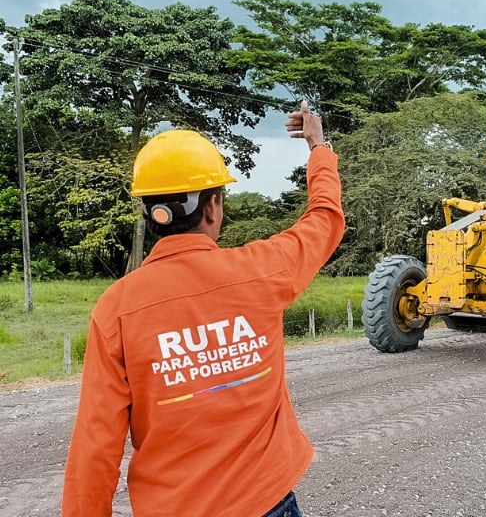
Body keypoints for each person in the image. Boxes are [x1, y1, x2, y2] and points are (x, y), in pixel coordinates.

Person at [61, 101, 345, 517]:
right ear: (212, 206)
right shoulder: (263, 270)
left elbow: (95, 445)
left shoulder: (116, 308)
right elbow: (324, 218)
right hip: (267, 501)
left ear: (149, 210)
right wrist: (319, 148)